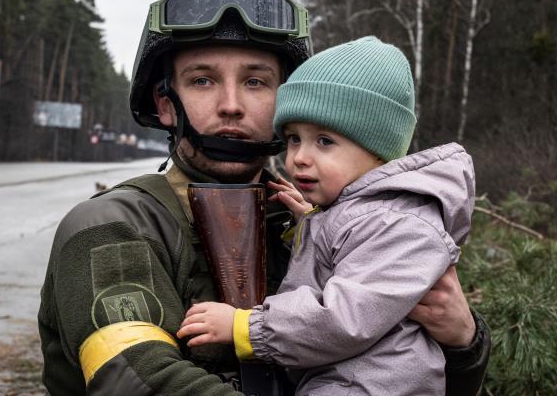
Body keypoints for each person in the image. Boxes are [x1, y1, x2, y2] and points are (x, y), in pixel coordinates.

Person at [37, 0, 490, 395]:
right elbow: (137, 380)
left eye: (256, 82)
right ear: (165, 104)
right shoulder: (112, 226)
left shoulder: (339, 223)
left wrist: (463, 342)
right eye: (202, 80)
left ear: (286, 101)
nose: (231, 105)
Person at [177, 36, 476, 395]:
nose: (299, 158)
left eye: (324, 142)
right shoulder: (362, 213)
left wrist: (246, 327)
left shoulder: (399, 223)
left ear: (379, 152)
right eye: (293, 139)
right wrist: (313, 222)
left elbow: (344, 318)